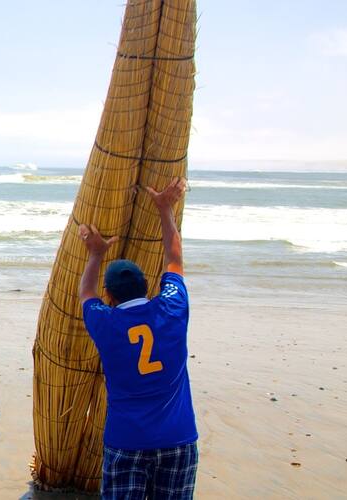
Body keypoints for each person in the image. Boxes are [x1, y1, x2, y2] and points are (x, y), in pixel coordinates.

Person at [78, 178, 195, 499]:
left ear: (109, 296)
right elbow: (174, 259)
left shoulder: (105, 322)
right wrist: (164, 208)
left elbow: (85, 293)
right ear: (147, 286)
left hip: (127, 442)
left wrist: (95, 255)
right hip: (178, 440)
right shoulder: (173, 307)